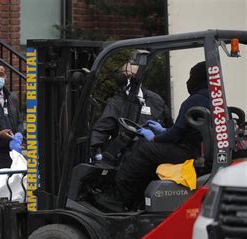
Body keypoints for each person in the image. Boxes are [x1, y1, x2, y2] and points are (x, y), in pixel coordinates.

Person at [94, 61, 210, 211]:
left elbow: (177, 132)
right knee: (147, 150)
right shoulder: (211, 98)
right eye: (126, 75)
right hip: (191, 148)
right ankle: (137, 198)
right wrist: (163, 130)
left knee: (144, 148)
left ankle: (118, 197)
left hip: (187, 151)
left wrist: (155, 137)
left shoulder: (192, 100)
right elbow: (183, 129)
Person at [89, 62, 172, 162]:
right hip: (126, 158)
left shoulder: (155, 100)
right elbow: (101, 130)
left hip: (154, 156)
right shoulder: (117, 103)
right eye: (128, 75)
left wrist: (163, 132)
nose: (131, 79)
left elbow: (171, 128)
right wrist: (93, 153)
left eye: (134, 76)